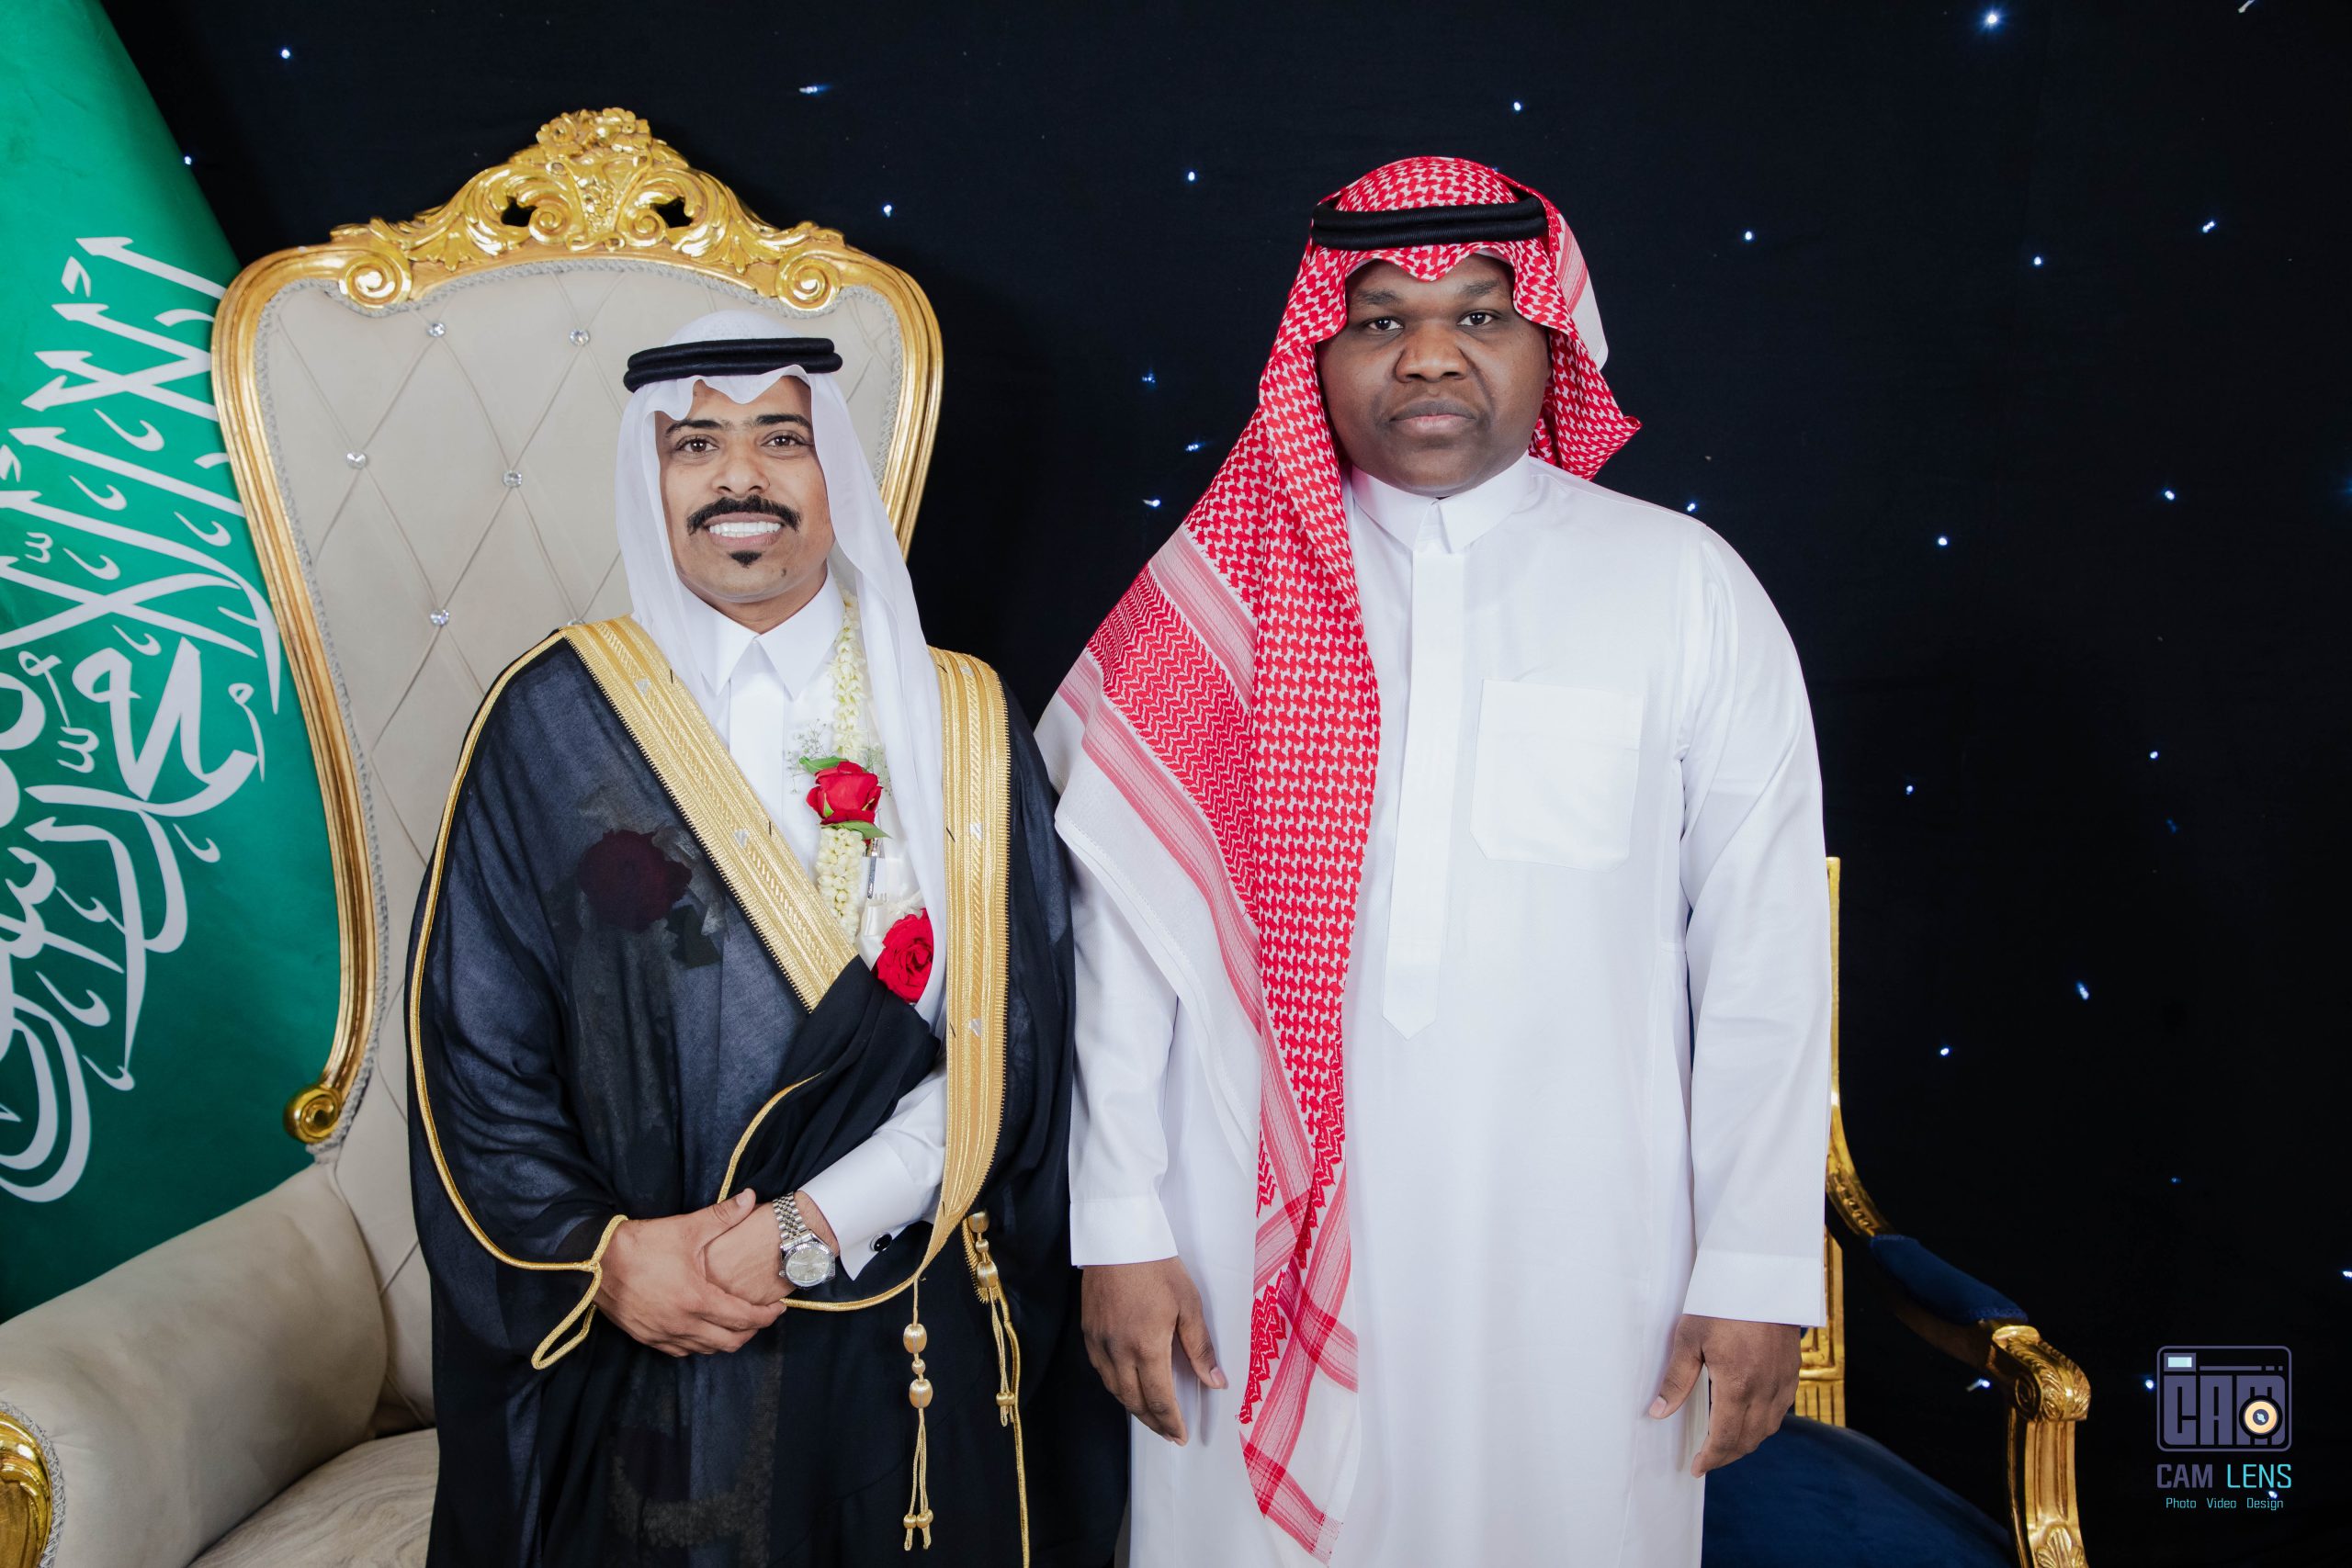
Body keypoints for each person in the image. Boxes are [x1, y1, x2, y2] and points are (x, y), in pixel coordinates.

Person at [1040, 158, 1833, 1566]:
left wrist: (1759, 1266)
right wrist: (1117, 1225)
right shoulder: (1216, 597)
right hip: (1239, 1243)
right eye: (1379, 320)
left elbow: (1765, 961)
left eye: (1478, 314)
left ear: (1550, 344)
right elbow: (1120, 945)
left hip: (1586, 1253)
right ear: (1317, 350)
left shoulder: (1682, 588)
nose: (1427, 356)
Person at [408, 312, 1122, 1566]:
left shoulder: (958, 717)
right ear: (652, 480)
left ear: (834, 469)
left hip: (897, 1300)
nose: (739, 475)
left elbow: (1013, 1038)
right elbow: (476, 1050)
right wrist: (609, 1259)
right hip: (650, 1324)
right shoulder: (552, 717)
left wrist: (812, 1226)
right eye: (697, 445)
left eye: (780, 439)